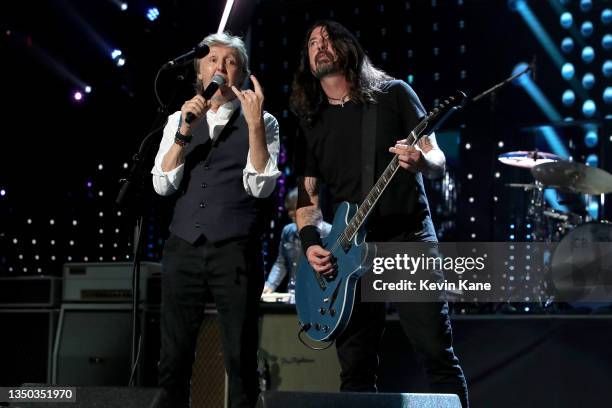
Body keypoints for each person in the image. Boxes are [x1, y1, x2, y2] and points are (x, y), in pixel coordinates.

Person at [290, 21, 469, 407]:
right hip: (348, 250)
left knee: (436, 356)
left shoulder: (392, 93)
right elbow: (307, 196)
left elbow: (437, 158)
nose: (319, 46)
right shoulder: (312, 121)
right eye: (312, 43)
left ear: (348, 47)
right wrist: (310, 244)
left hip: (405, 238)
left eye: (328, 39)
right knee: (355, 371)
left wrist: (422, 162)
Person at [151, 32, 280, 408]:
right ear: (199, 72)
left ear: (241, 73)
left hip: (234, 249)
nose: (220, 68)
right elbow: (162, 185)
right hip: (183, 247)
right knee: (173, 357)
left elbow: (261, 187)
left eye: (230, 61)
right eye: (211, 60)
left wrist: (254, 126)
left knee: (239, 355)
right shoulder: (180, 118)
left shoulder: (265, 122)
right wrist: (184, 132)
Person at [262, 188, 331, 295]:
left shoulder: (330, 232)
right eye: (289, 210)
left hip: (319, 295)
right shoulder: (288, 231)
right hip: (293, 293)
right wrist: (270, 285)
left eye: (294, 210)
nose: (291, 214)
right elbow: (282, 262)